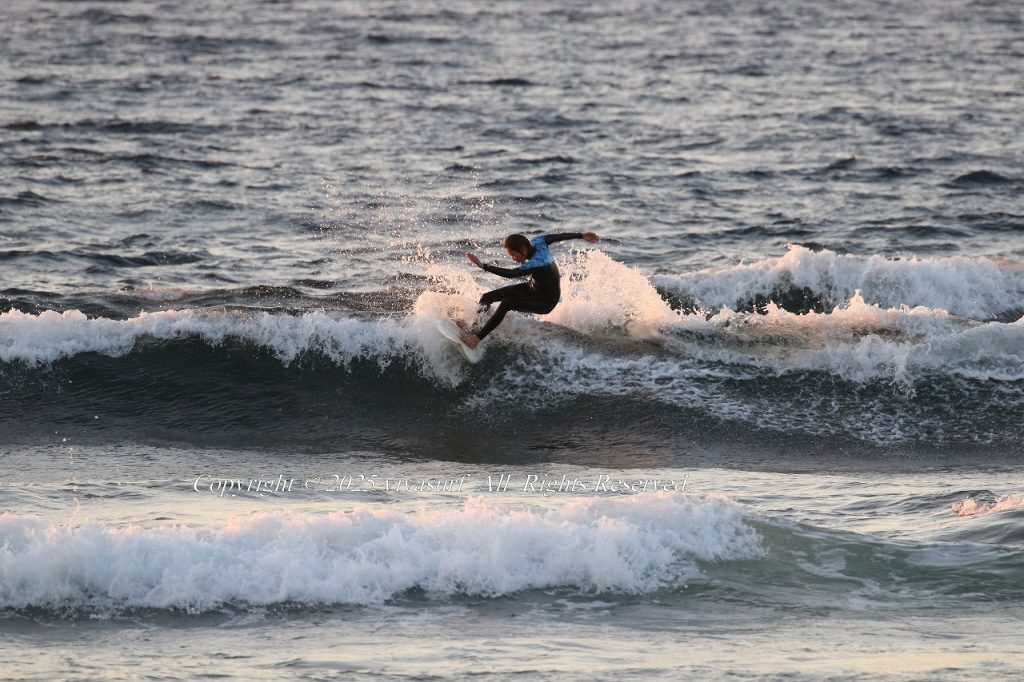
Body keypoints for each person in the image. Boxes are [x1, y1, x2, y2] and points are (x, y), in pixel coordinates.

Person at [460, 231, 600, 349]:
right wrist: (581, 235)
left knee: (507, 303)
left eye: (513, 255)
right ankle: (474, 329)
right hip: (533, 289)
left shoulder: (536, 264)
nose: (513, 258)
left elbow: (511, 274)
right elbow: (558, 236)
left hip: (546, 302)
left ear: (523, 250)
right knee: (486, 297)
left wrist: (483, 266)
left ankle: (476, 340)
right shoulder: (539, 241)